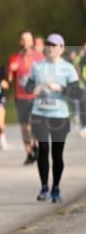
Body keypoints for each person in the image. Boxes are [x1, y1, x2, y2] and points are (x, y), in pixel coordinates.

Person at [26, 34, 81, 204]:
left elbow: (77, 93)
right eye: (48, 44)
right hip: (40, 113)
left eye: (55, 45)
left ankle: (55, 187)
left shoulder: (68, 68)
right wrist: (33, 89)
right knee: (43, 149)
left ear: (62, 48)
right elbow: (28, 85)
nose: (51, 47)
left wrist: (60, 88)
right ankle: (44, 187)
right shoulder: (37, 66)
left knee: (57, 155)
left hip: (59, 115)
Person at [8, 30, 45, 165]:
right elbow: (9, 78)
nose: (26, 42)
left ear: (32, 41)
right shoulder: (15, 57)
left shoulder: (39, 57)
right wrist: (11, 71)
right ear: (20, 42)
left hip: (35, 96)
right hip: (21, 96)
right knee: (25, 127)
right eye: (23, 40)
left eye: (28, 40)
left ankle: (36, 145)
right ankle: (29, 153)